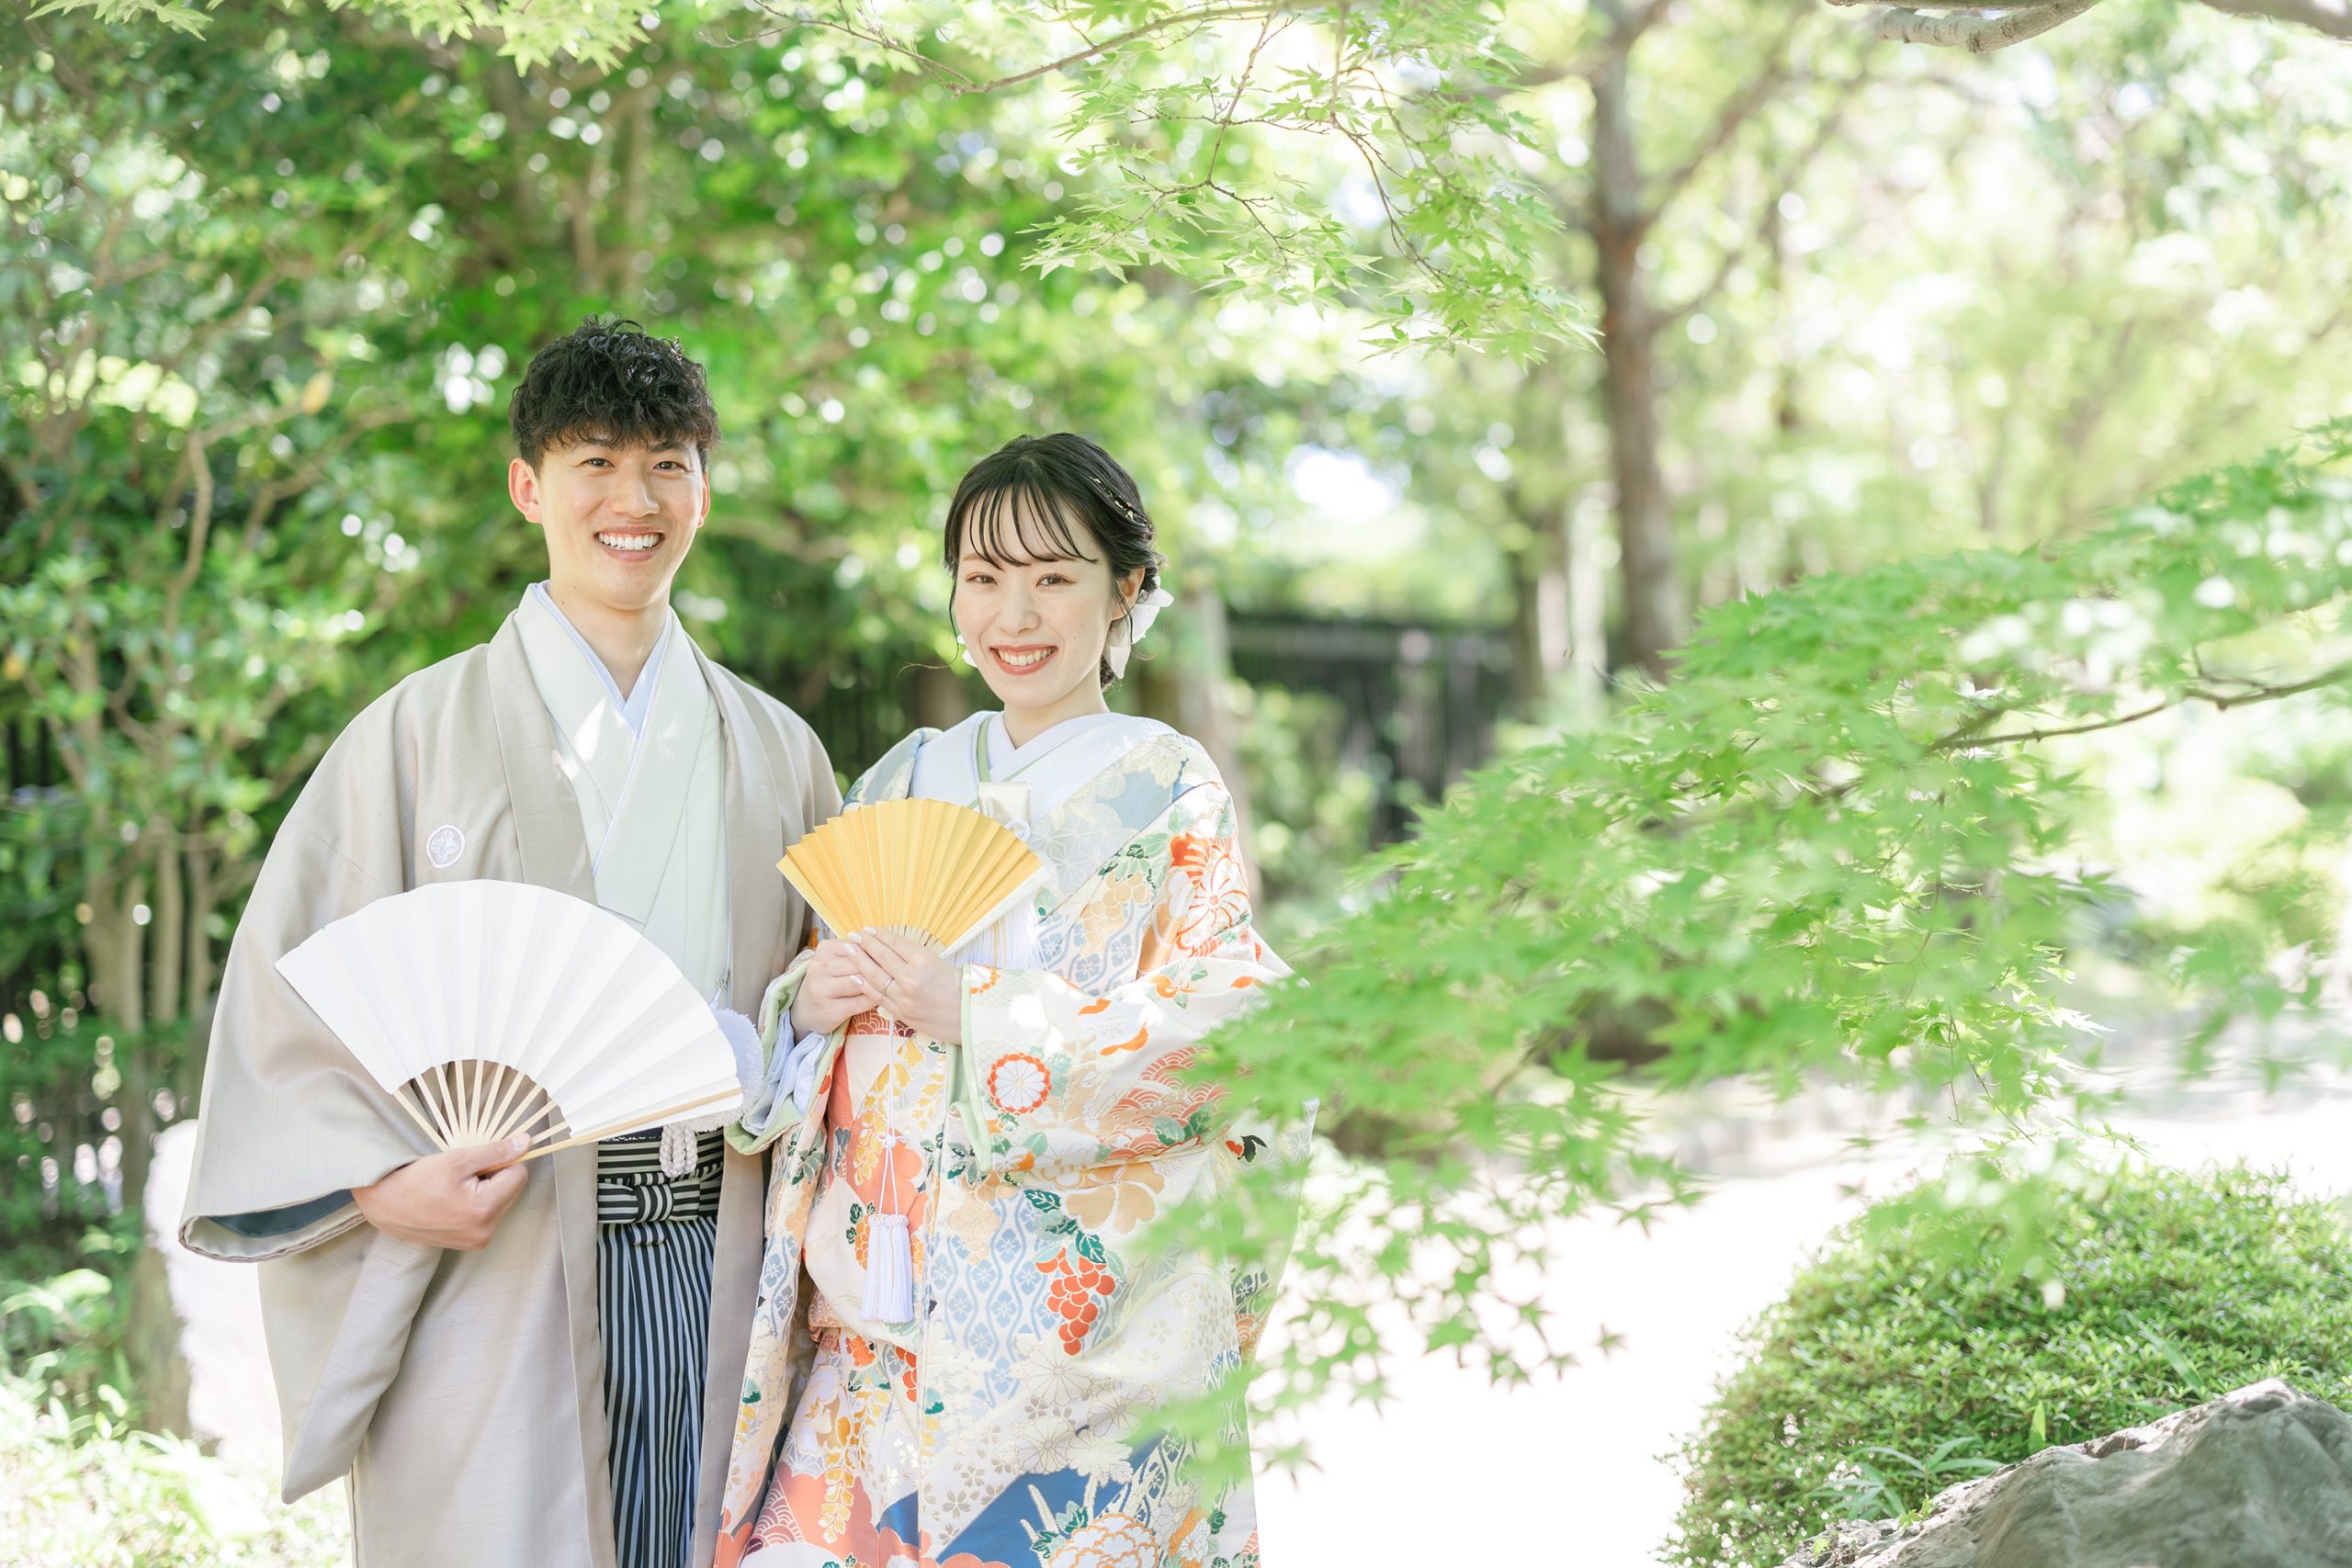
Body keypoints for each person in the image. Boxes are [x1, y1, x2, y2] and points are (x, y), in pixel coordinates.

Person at [179, 318, 838, 1568]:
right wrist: (378, 1185)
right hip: (500, 1244)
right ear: (529, 484)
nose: (632, 501)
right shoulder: (416, 733)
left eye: (667, 464)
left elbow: (833, 1025)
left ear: (705, 484)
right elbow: (285, 1010)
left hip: (725, 1232)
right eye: (594, 462)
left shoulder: (779, 751)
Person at [716, 433, 1295, 1567]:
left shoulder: (1165, 787)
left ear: (1125, 589)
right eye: (982, 579)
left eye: (1051, 577)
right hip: (870, 1324)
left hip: (1062, 1352)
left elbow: (1226, 1024)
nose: (1012, 616)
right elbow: (812, 1030)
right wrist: (810, 1007)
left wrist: (983, 1015)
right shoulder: (900, 776)